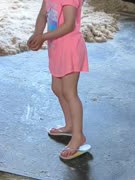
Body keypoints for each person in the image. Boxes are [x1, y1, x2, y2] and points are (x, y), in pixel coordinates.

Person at [27, 0, 91, 160]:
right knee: (57, 89)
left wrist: (43, 37)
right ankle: (69, 125)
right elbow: (43, 15)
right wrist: (37, 33)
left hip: (70, 49)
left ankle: (78, 136)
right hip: (56, 48)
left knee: (70, 93)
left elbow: (69, 25)